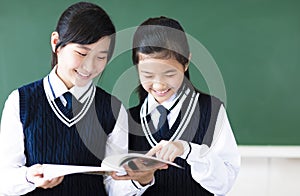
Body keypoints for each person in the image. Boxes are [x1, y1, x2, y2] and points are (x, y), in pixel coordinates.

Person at [0, 2, 151, 196]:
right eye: (82, 53)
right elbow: (4, 181)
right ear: (56, 43)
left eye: (101, 57)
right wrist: (29, 177)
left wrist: (141, 180)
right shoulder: (21, 101)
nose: (89, 67)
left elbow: (113, 186)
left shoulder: (112, 109)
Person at [125, 16, 241, 196]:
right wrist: (141, 180)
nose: (159, 85)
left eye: (169, 74)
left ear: (186, 62)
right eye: (148, 75)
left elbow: (224, 183)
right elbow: (113, 189)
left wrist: (188, 150)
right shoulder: (127, 119)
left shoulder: (211, 110)